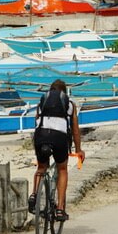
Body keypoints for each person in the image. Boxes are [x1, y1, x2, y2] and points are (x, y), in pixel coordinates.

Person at [28, 79, 85, 221]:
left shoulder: (42, 102)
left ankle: (34, 193)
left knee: (41, 167)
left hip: (40, 135)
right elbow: (75, 130)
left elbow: (36, 121)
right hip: (59, 138)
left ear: (51, 90)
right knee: (62, 170)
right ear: (64, 93)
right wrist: (79, 150)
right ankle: (60, 209)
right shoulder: (70, 105)